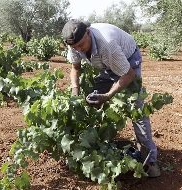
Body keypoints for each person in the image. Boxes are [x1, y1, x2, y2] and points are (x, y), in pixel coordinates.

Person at [62, 19, 161, 177]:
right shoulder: (74, 44)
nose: (78, 50)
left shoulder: (107, 44)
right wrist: (75, 91)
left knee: (136, 109)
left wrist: (108, 96)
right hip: (107, 65)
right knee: (91, 98)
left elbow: (128, 75)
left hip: (129, 61)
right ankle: (93, 144)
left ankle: (150, 160)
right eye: (75, 47)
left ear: (88, 32)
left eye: (81, 45)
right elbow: (75, 68)